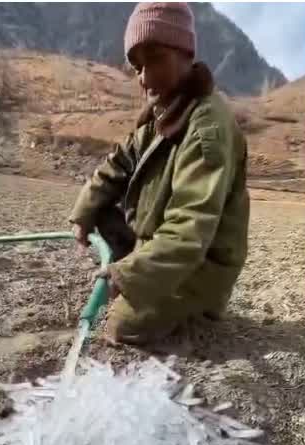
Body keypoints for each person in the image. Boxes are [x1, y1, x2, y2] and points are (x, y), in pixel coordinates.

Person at [69, 2, 249, 346]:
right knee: (102, 211)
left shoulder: (206, 126)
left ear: (185, 53)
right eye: (136, 66)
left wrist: (126, 275)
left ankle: (198, 305)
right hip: (160, 246)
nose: (144, 76)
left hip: (199, 266)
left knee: (122, 328)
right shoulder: (162, 112)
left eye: (155, 59)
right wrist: (84, 212)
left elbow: (190, 229)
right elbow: (118, 162)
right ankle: (142, 279)